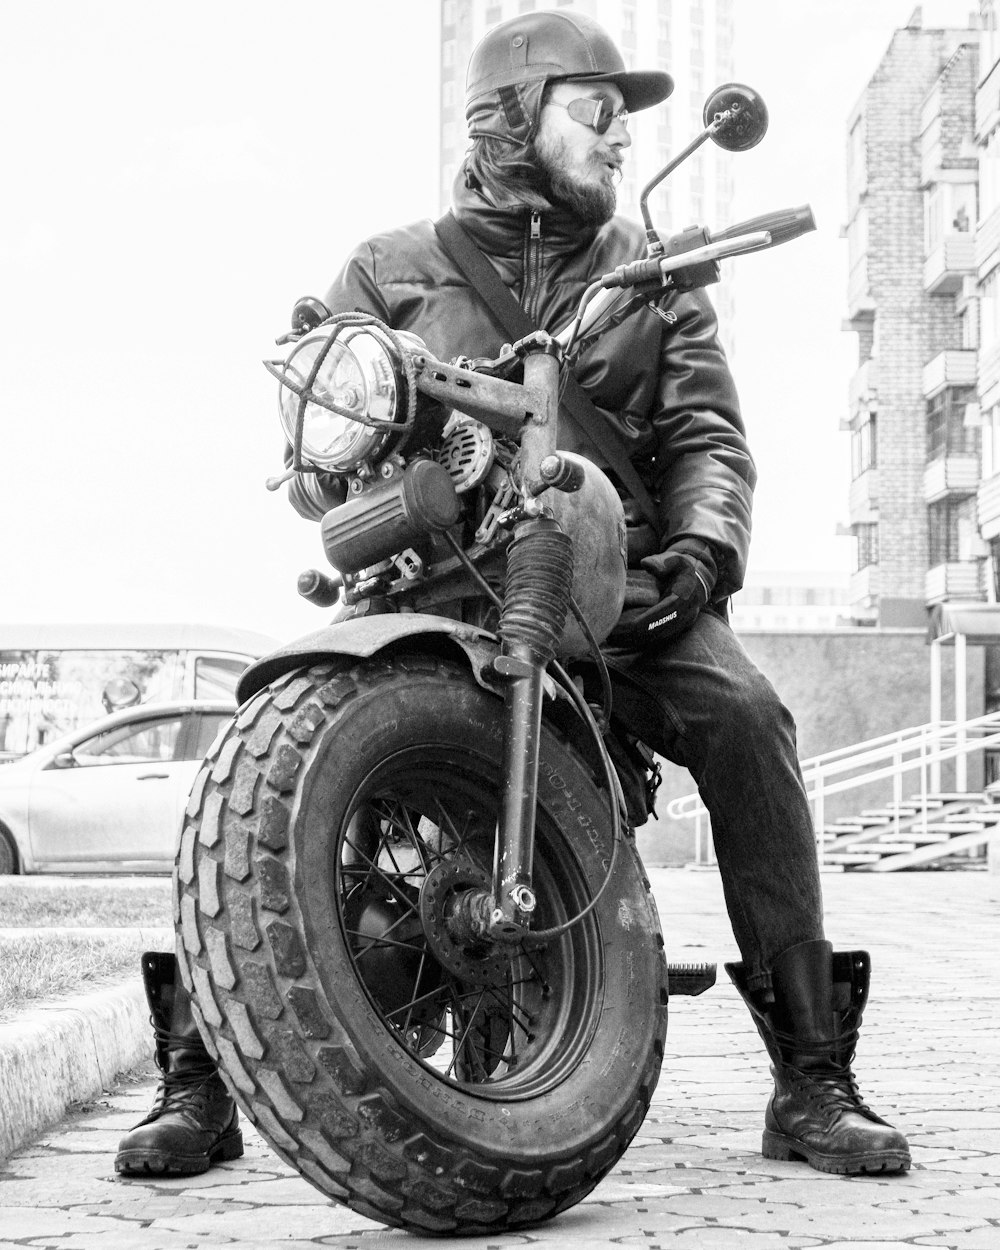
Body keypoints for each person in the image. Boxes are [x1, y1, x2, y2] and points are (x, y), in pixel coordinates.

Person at [116, 8, 909, 1180]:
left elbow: (706, 439)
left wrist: (697, 559)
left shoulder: (655, 273)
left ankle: (809, 1074)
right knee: (275, 741)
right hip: (438, 578)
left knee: (748, 718)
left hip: (622, 584)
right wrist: (358, 456)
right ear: (508, 120)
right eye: (597, 114)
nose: (619, 140)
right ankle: (207, 1070)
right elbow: (318, 459)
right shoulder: (387, 270)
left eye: (624, 124)